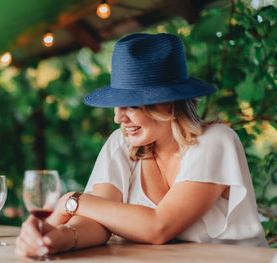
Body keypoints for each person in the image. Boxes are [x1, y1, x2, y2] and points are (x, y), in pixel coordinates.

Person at [15, 33, 268, 258]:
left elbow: (159, 227)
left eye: (132, 105)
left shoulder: (216, 142)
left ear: (168, 103)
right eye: (117, 103)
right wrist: (62, 236)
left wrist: (72, 200)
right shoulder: (120, 143)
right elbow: (98, 222)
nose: (118, 118)